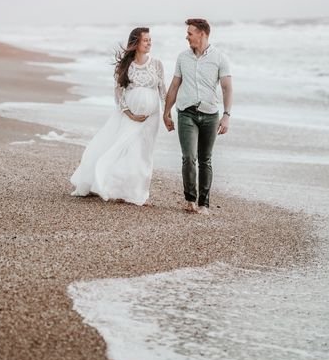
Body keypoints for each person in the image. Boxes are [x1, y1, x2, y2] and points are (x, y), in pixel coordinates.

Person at [70, 27, 166, 206]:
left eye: (150, 40)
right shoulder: (124, 66)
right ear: (136, 43)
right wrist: (130, 113)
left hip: (151, 118)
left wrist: (167, 113)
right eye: (146, 40)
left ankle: (138, 193)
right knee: (125, 150)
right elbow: (118, 94)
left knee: (144, 154)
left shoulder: (157, 64)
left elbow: (162, 92)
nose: (149, 43)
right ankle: (121, 189)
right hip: (129, 117)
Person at [163, 18, 232, 215]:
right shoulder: (182, 57)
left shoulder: (220, 58)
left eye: (190, 33)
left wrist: (226, 115)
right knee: (189, 157)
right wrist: (166, 112)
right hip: (186, 113)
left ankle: (204, 203)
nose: (187, 36)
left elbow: (227, 88)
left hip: (210, 115)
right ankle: (190, 199)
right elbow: (175, 85)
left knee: (205, 159)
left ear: (202, 33)